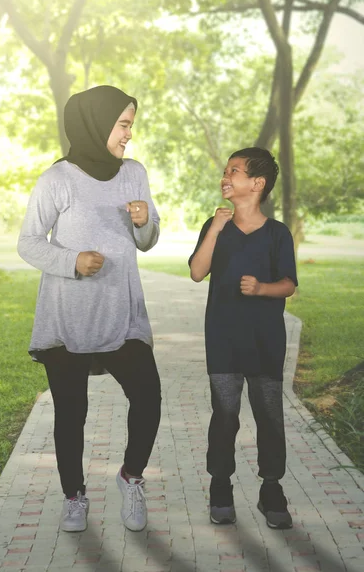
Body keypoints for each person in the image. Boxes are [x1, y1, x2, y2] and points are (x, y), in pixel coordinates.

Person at [18, 85, 161, 533]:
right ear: (97, 124)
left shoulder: (134, 173)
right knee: (71, 413)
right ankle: (73, 496)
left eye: (131, 125)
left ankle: (130, 477)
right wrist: (73, 262)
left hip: (123, 313)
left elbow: (148, 240)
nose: (128, 135)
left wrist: (145, 223)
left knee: (149, 397)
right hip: (68, 318)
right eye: (122, 125)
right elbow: (27, 243)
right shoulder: (56, 179)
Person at [189, 147, 297, 530]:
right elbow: (197, 272)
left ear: (257, 183)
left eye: (233, 171)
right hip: (223, 340)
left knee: (269, 415)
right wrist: (216, 228)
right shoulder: (214, 225)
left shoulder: (277, 234)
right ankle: (220, 485)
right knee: (225, 415)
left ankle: (271, 489)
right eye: (225, 170)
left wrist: (262, 288)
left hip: (266, 342)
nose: (225, 176)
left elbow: (288, 284)